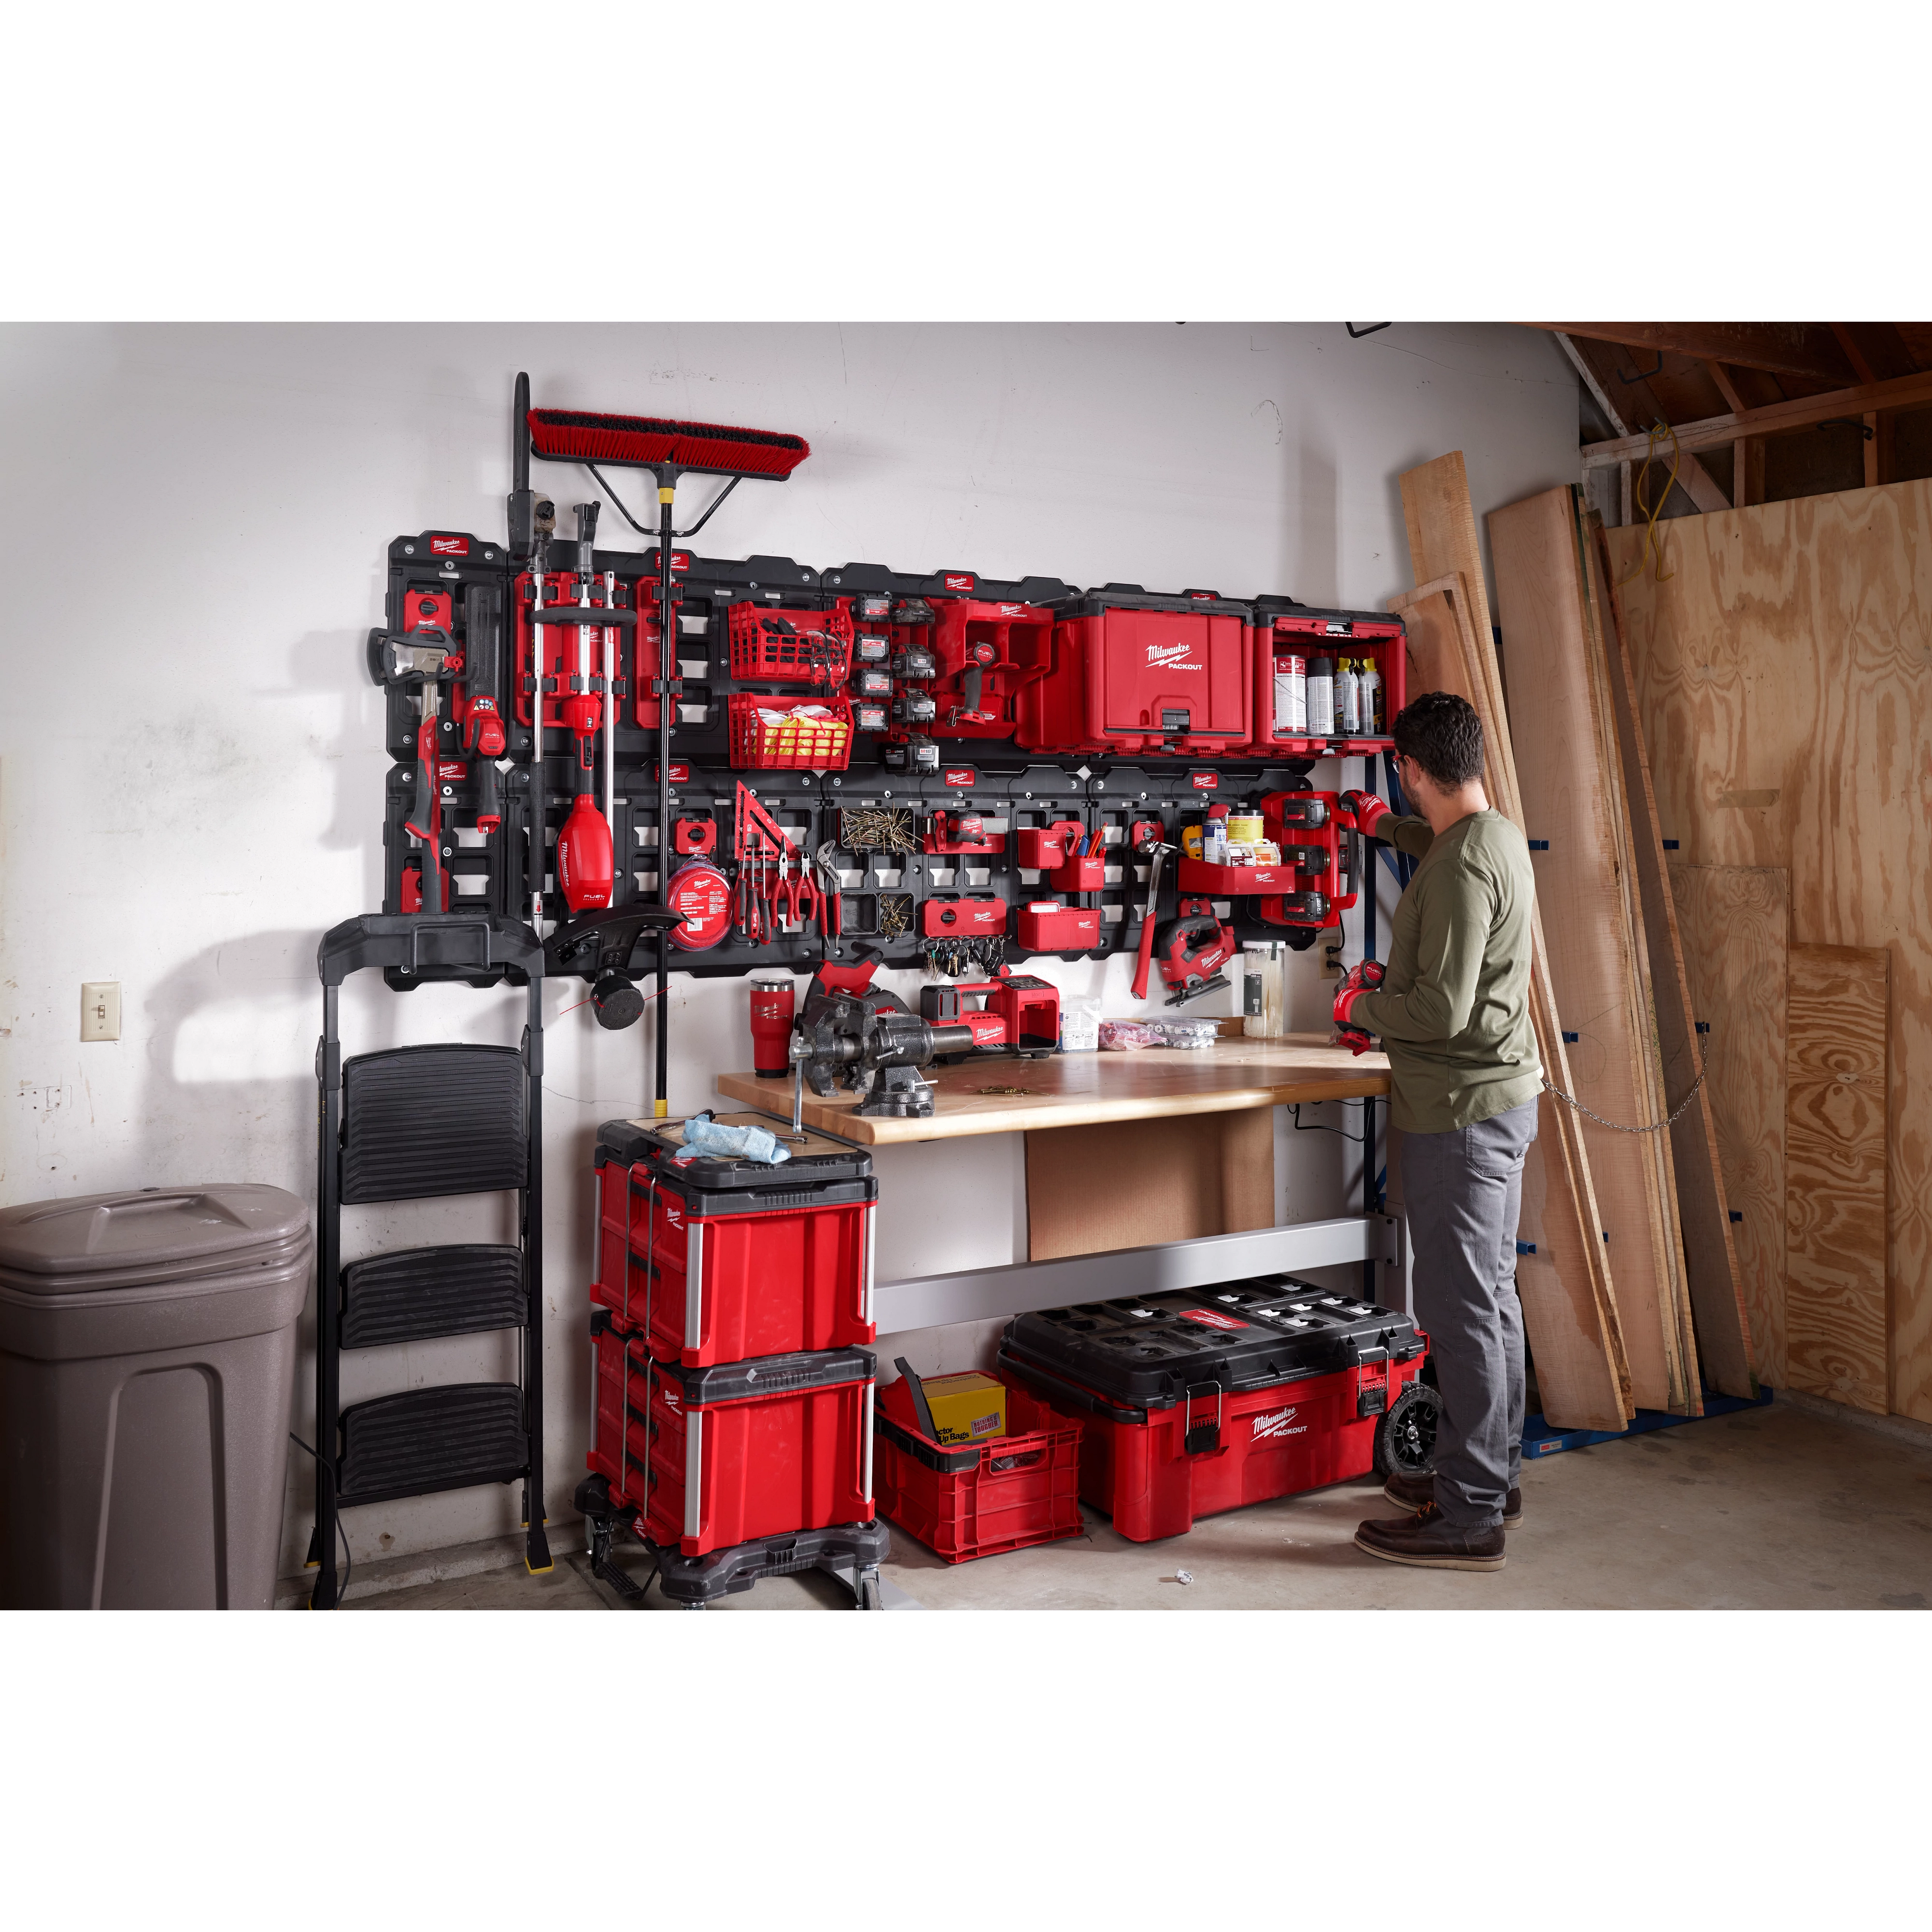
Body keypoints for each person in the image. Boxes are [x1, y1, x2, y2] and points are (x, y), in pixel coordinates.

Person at [1331, 690, 1542, 1573]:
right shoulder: (1494, 834)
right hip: (1499, 1103)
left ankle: (1468, 1517)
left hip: (1460, 1116)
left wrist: (1358, 1007)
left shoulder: (1458, 871)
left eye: (1401, 782)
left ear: (1412, 768)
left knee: (1459, 1315)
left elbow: (1440, 1012)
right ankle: (1491, 1479)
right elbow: (1442, 847)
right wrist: (1382, 827)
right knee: (1490, 1300)